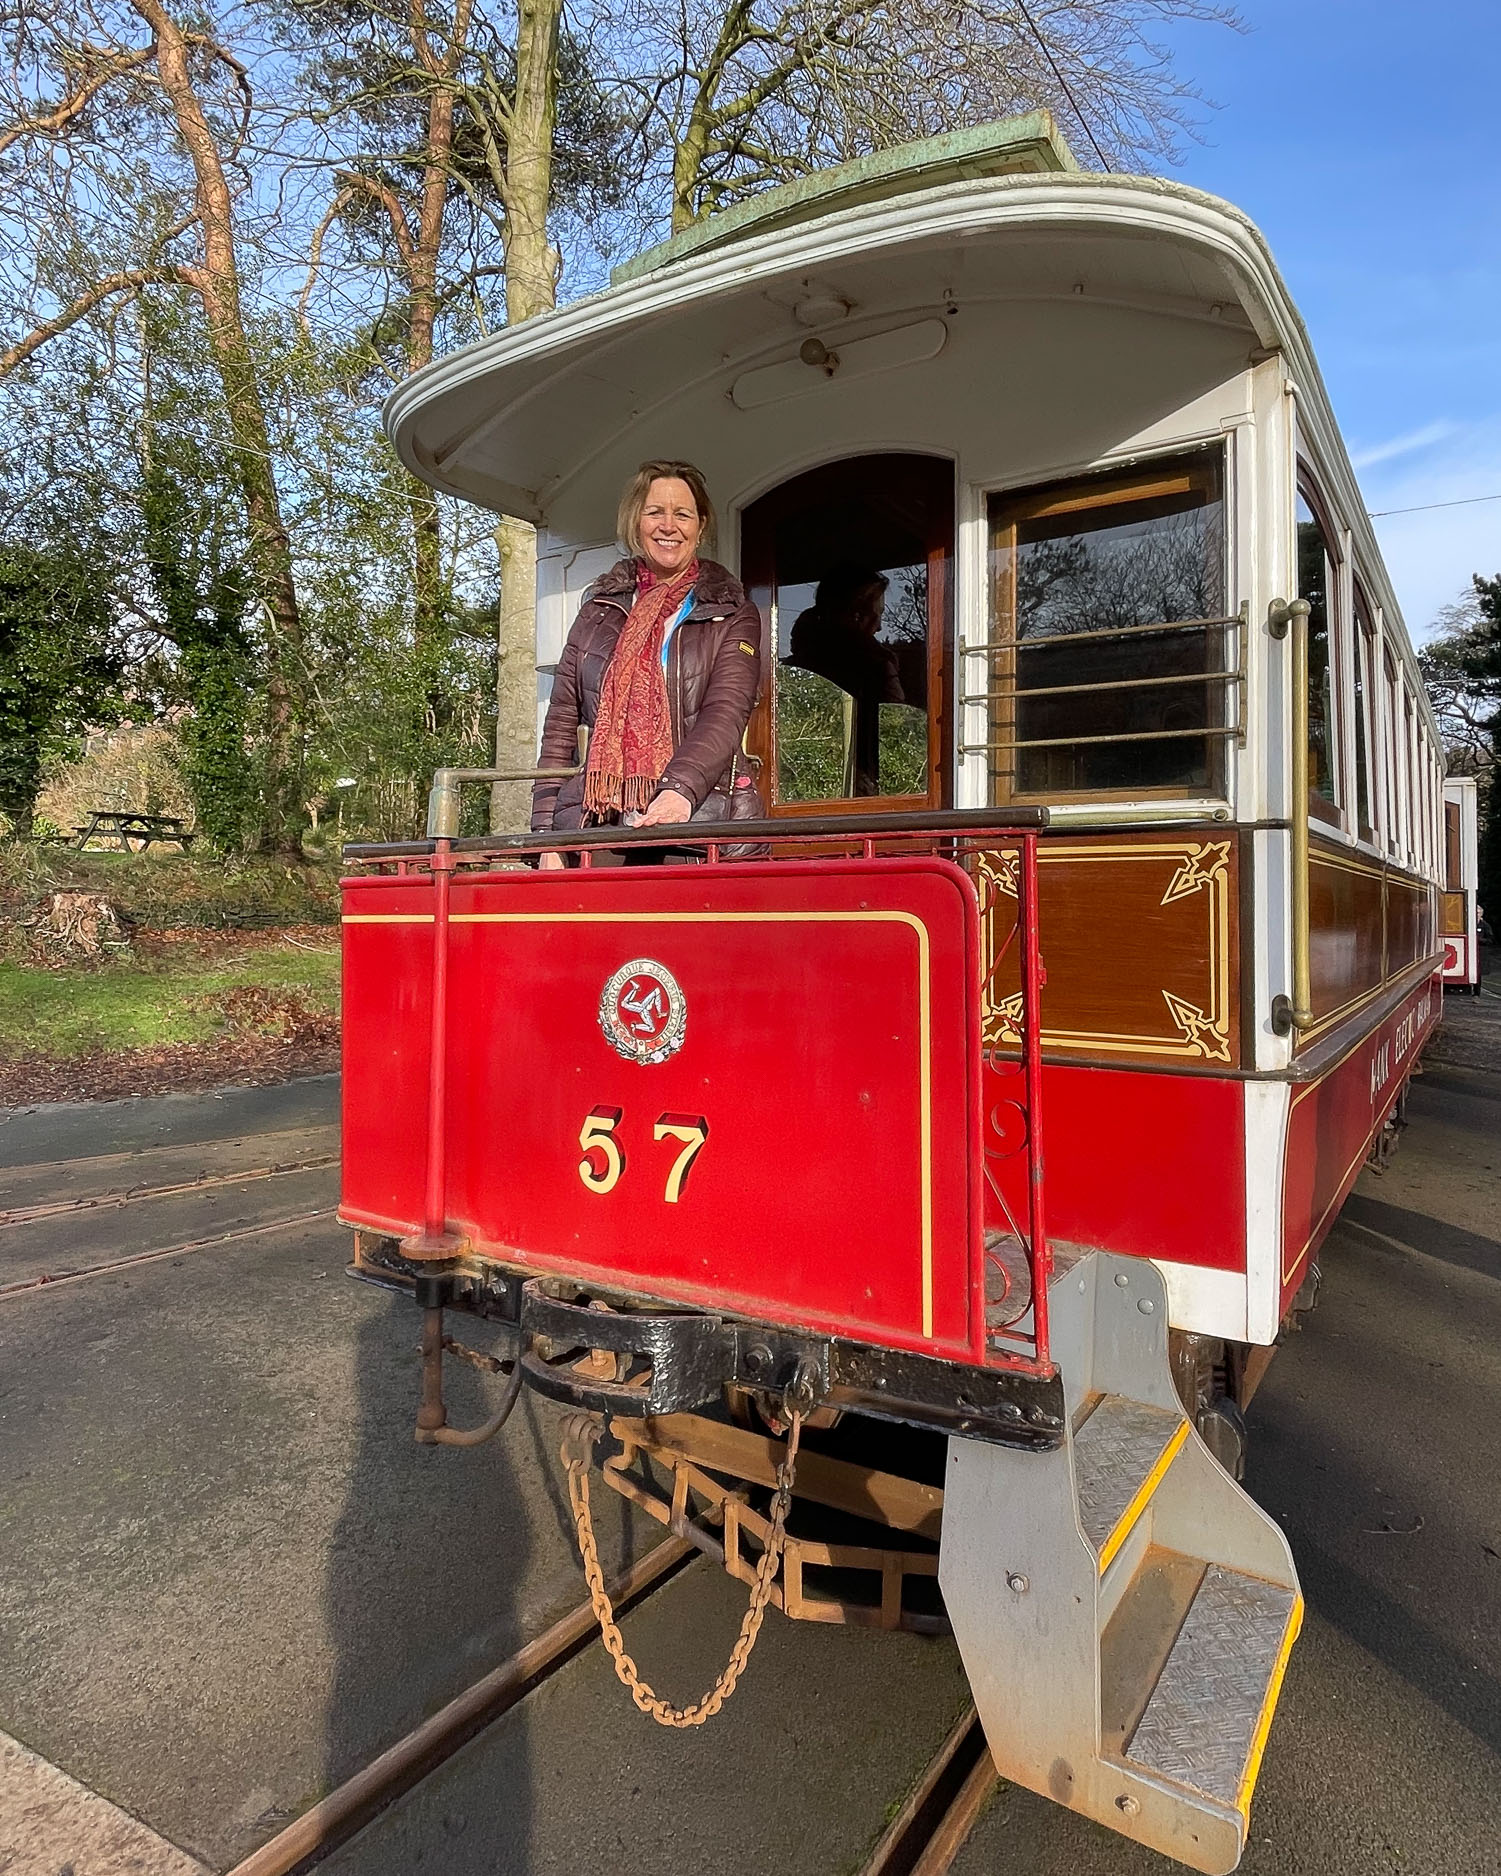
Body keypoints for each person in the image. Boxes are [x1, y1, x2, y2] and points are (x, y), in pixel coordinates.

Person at [531, 461, 763, 865]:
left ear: (701, 526)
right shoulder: (596, 613)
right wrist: (544, 836)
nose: (668, 526)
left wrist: (679, 790)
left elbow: (726, 712)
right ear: (635, 522)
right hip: (598, 827)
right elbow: (561, 725)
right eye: (655, 512)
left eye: (682, 514)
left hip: (699, 827)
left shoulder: (732, 612)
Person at [786, 564, 903, 795]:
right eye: (878, 614)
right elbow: (896, 723)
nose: (880, 626)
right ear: (856, 616)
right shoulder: (874, 665)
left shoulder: (794, 667)